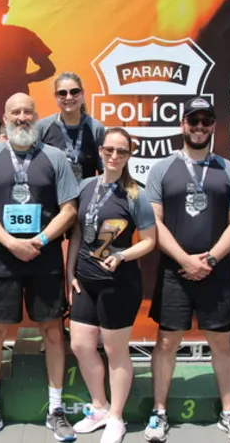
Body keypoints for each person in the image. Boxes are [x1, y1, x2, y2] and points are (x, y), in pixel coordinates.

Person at [0, 93, 79, 443]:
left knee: (52, 331)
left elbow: (69, 209)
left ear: (36, 116)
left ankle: (56, 410)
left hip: (44, 259)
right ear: (5, 117)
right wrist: (10, 242)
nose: (21, 117)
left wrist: (40, 241)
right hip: (1, 258)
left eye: (27, 112)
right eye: (15, 112)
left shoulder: (56, 157)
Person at [143, 96, 230, 443]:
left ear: (214, 126)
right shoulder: (162, 169)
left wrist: (210, 260)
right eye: (194, 121)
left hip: (215, 271)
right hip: (175, 271)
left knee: (221, 341)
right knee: (167, 341)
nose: (200, 127)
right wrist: (185, 260)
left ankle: (229, 412)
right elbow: (154, 222)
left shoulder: (228, 169)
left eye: (206, 121)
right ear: (183, 125)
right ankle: (159, 412)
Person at [66, 127, 157, 443]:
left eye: (122, 151)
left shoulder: (136, 194)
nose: (114, 156)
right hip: (85, 282)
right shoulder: (86, 186)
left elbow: (149, 241)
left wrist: (122, 255)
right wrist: (70, 272)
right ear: (101, 151)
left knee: (115, 351)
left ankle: (117, 417)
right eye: (109, 150)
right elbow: (78, 233)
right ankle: (100, 407)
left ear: (129, 155)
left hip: (118, 284)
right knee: (80, 345)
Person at [36, 72, 106, 182]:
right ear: (56, 97)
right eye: (62, 93)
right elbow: (35, 169)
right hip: (52, 193)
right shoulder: (42, 127)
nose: (69, 97)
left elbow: (105, 172)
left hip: (85, 192)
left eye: (74, 92)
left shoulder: (96, 128)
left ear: (82, 94)